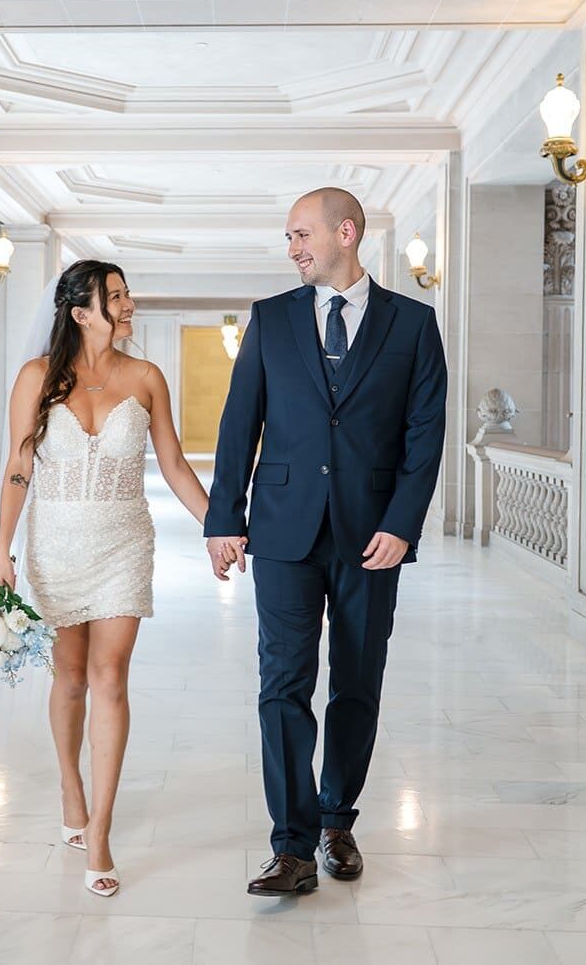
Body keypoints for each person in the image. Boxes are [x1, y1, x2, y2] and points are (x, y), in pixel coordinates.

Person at [204, 187, 448, 896]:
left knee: (357, 680)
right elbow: (239, 422)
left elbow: (424, 432)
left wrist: (402, 523)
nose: (292, 249)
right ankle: (291, 844)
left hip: (373, 534)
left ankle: (337, 820)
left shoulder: (412, 323)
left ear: (346, 232)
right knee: (282, 682)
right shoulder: (271, 318)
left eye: (301, 234)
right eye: (288, 237)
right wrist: (224, 517)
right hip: (283, 529)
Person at [0, 259, 212, 898]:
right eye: (114, 297)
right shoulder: (36, 377)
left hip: (123, 545)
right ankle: (71, 786)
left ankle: (102, 829)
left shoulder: (146, 377)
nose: (128, 304)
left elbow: (174, 464)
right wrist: (2, 551)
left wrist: (220, 527)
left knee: (110, 677)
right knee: (69, 677)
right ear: (81, 313)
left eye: (125, 293)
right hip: (54, 547)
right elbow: (19, 467)